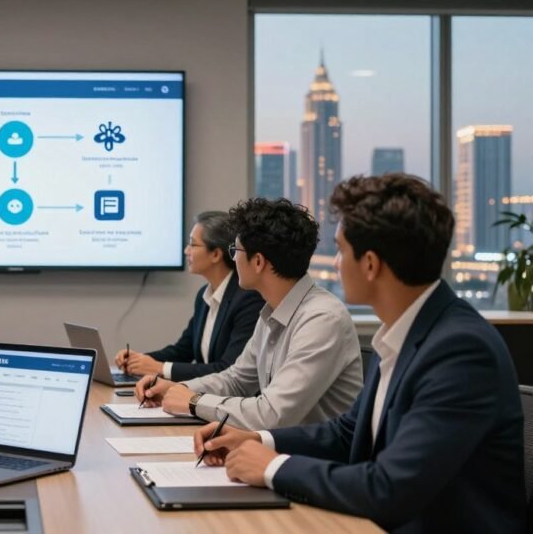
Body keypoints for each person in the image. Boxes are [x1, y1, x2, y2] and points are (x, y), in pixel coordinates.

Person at [191, 175, 525, 533]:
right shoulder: (404, 331)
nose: (334, 264)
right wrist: (259, 440)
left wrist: (273, 467)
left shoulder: (460, 350)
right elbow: (349, 433)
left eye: (340, 250)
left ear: (370, 264)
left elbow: (391, 486)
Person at [137, 198, 363, 430]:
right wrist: (182, 389)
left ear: (257, 262)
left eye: (235, 250)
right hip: (280, 450)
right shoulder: (272, 310)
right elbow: (236, 380)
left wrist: (194, 402)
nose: (233, 258)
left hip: (316, 461)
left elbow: (272, 414)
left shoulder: (322, 319)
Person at [114, 211, 264, 381]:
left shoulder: (248, 299)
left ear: (216, 254)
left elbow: (228, 369)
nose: (186, 251)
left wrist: (160, 368)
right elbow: (182, 351)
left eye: (193, 244)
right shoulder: (204, 295)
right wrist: (138, 360)